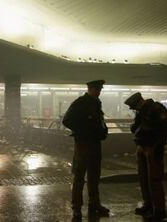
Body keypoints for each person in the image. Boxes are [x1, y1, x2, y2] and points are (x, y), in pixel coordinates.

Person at [62, 80, 110, 219]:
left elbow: (98, 121)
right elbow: (67, 120)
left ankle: (94, 204)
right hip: (83, 144)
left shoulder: (96, 103)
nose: (99, 92)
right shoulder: (80, 102)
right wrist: (84, 131)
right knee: (79, 176)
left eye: (100, 89)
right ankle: (76, 207)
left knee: (94, 176)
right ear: (90, 89)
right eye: (97, 89)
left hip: (95, 143)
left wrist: (103, 130)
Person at [124, 92, 167, 220]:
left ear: (140, 102)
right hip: (141, 147)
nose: (135, 110)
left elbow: (163, 130)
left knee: (154, 179)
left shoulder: (157, 109)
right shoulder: (141, 112)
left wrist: (156, 146)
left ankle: (159, 209)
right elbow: (135, 128)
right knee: (143, 178)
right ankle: (148, 205)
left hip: (153, 148)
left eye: (135, 107)